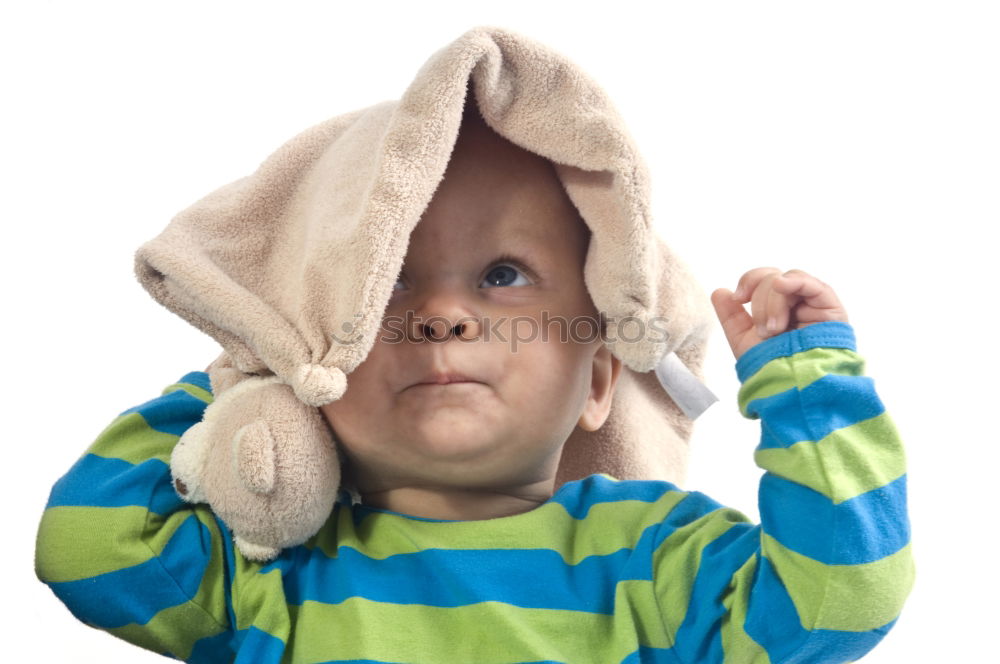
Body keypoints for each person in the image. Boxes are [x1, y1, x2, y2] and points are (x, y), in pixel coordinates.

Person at [35, 106, 913, 663]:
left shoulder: (655, 560)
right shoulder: (277, 573)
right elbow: (86, 550)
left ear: (599, 380)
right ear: (317, 368)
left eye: (502, 275)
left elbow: (838, 600)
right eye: (381, 291)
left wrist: (808, 385)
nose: (444, 316)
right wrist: (245, 369)